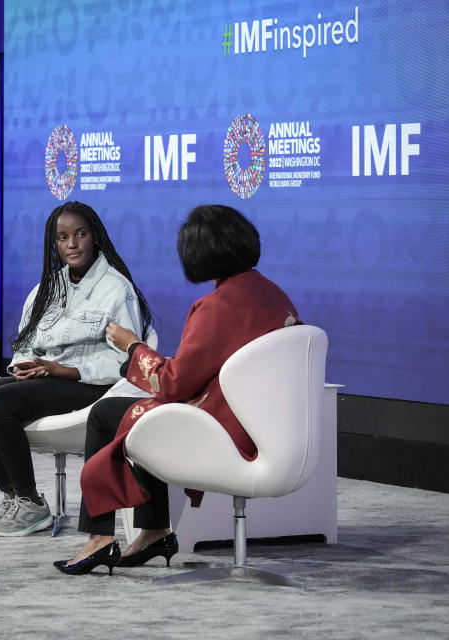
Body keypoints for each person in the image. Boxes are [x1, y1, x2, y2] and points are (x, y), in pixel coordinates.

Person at [54, 204, 301, 575]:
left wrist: (131, 347)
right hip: (264, 424)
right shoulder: (271, 293)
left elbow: (171, 384)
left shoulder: (219, 305)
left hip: (226, 431)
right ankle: (154, 531)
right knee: (147, 413)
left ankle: (99, 538)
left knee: (110, 414)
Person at [0, 201, 152, 537]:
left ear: (96, 237)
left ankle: (32, 504)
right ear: (54, 244)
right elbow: (25, 344)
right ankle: (13, 496)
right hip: (46, 380)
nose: (72, 244)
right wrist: (25, 367)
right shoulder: (48, 288)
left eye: (80, 234)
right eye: (62, 237)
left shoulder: (117, 289)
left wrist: (64, 370)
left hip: (90, 385)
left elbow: (124, 360)